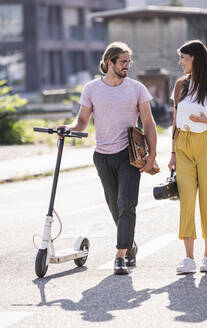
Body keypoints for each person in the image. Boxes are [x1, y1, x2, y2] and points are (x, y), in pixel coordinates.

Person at [65, 42, 158, 275]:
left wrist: (153, 154)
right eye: (123, 62)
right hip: (103, 156)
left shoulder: (136, 89)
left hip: (129, 155)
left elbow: (148, 123)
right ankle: (130, 244)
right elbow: (82, 121)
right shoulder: (92, 89)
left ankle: (120, 256)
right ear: (110, 63)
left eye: (129, 62)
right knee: (114, 205)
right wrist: (67, 129)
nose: (127, 66)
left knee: (127, 204)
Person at [168, 40, 207, 273]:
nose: (180, 62)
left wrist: (204, 120)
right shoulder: (180, 85)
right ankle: (188, 258)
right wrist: (172, 152)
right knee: (187, 200)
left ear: (195, 58)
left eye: (183, 57)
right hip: (183, 143)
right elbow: (175, 120)